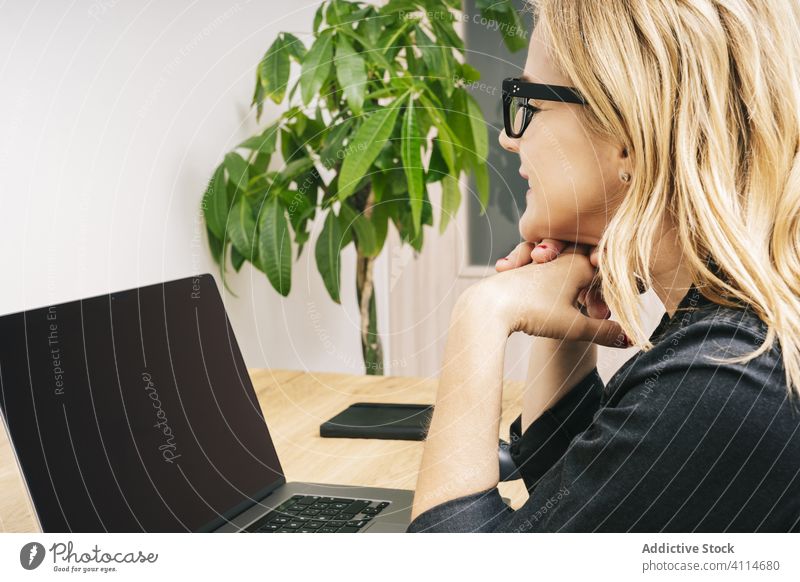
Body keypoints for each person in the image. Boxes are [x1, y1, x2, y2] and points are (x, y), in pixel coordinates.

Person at [406, 0, 800, 532]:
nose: (508, 136)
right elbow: (584, 494)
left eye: (527, 103)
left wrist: (482, 314)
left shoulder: (727, 375)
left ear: (628, 139)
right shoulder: (728, 324)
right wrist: (566, 305)